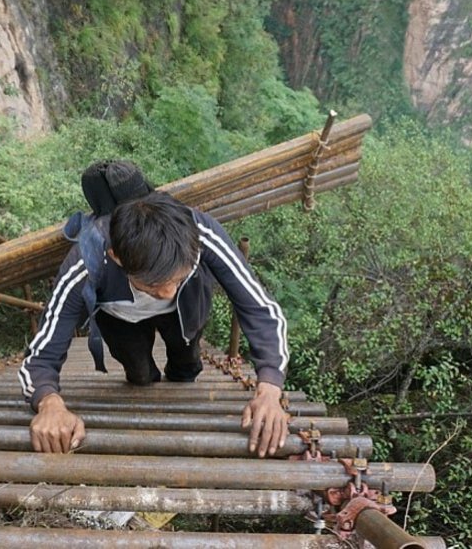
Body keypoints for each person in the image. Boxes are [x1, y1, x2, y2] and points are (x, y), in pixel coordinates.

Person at [17, 161, 290, 458]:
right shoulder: (87, 261)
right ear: (116, 257)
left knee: (186, 366)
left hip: (185, 310)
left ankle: (183, 379)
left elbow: (260, 308)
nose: (167, 292)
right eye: (155, 284)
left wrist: (270, 388)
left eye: (177, 279)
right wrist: (49, 402)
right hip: (120, 316)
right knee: (140, 375)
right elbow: (42, 352)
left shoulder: (200, 233)